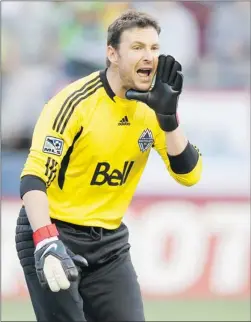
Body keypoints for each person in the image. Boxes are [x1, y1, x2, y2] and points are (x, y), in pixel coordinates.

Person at [15, 9, 202, 322]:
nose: (149, 57)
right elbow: (33, 177)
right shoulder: (74, 102)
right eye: (137, 48)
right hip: (55, 231)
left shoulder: (155, 106)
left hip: (110, 244)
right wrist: (46, 241)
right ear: (112, 54)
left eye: (154, 48)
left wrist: (169, 120)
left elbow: (189, 175)